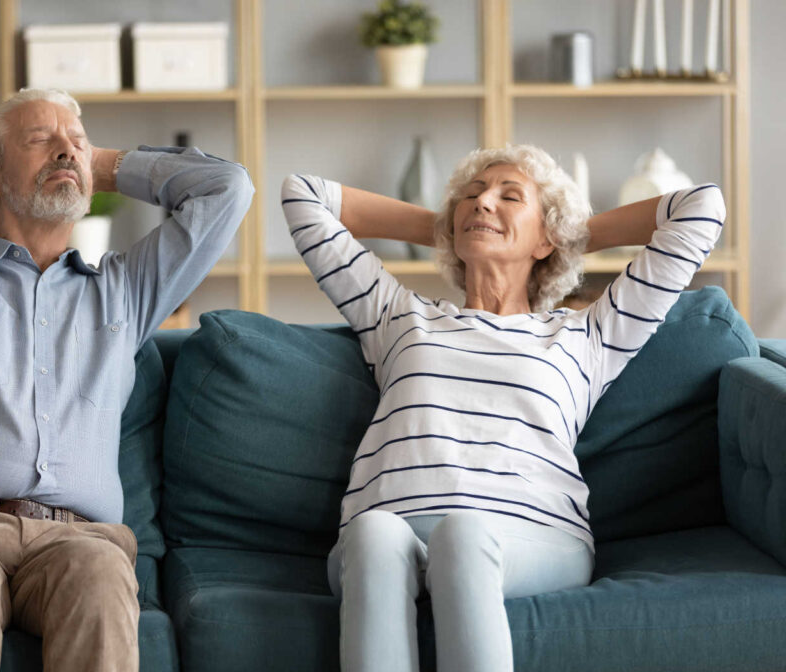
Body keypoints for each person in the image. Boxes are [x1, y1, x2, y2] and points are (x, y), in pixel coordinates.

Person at [0, 88, 253, 672]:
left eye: (77, 143)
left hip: (79, 542)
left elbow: (228, 189)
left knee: (100, 577)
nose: (66, 151)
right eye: (40, 141)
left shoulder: (126, 290)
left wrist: (99, 164)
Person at [280, 145, 724, 672]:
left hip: (528, 536)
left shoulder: (586, 335)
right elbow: (302, 195)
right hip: (390, 525)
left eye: (509, 195)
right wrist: (453, 227)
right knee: (373, 531)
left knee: (463, 534)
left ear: (547, 239)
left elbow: (701, 207)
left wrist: (568, 235)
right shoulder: (399, 317)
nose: (483, 201)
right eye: (471, 195)